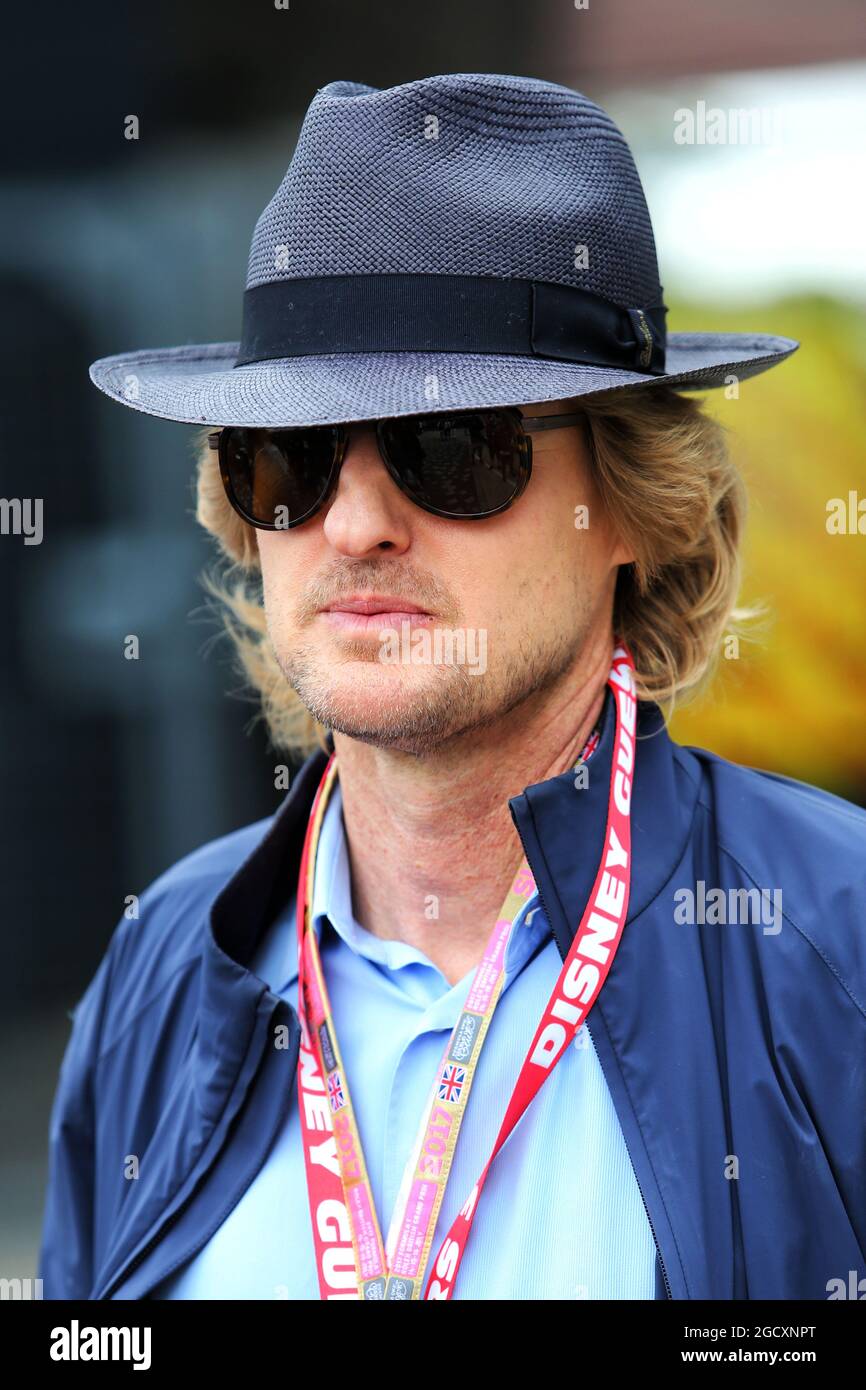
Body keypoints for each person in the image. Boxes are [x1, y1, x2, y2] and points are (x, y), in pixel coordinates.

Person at [40, 72, 865, 1301]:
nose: (357, 523)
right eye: (292, 461)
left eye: (453, 450)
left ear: (630, 506)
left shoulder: (835, 944)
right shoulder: (163, 960)